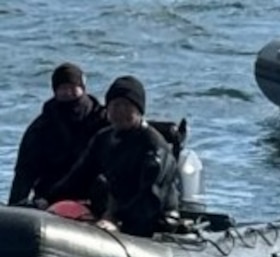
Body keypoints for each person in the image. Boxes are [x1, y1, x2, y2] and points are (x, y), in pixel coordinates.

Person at [47, 75, 179, 236]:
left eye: (126, 106)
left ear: (139, 110)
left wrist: (118, 222)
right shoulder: (104, 139)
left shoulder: (154, 147)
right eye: (115, 105)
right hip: (115, 212)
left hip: (152, 219)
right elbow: (78, 177)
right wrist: (48, 199)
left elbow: (149, 198)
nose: (120, 112)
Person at [7, 63, 106, 207]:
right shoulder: (41, 127)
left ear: (83, 88)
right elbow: (24, 171)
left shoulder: (103, 120)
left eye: (73, 88)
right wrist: (15, 206)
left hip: (95, 197)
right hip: (51, 199)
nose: (68, 93)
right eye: (63, 89)